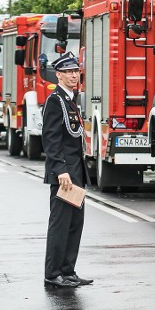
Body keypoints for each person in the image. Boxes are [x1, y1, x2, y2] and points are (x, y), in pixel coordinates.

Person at [43, 51, 92, 288]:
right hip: (65, 174)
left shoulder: (70, 99)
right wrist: (60, 170)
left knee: (74, 223)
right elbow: (51, 139)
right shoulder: (56, 100)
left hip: (76, 171)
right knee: (61, 223)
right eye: (69, 72)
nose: (74, 75)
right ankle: (53, 274)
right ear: (59, 75)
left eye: (75, 71)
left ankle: (68, 270)